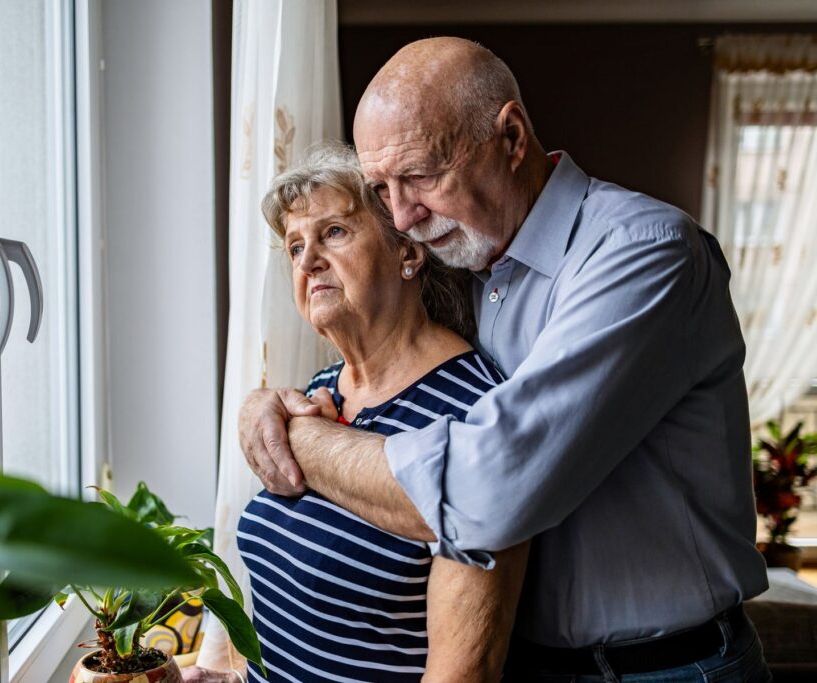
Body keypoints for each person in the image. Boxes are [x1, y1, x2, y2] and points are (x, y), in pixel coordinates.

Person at [238, 37, 772, 682]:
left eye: (422, 176)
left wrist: (300, 439)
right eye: (382, 189)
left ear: (512, 137)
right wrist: (262, 402)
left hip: (664, 669)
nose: (403, 217)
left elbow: (486, 492)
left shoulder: (642, 252)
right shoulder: (471, 260)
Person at [186, 142, 529, 682]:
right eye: (295, 247)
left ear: (408, 253)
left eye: (334, 233)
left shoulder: (475, 414)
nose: (308, 261)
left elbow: (463, 673)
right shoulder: (320, 393)